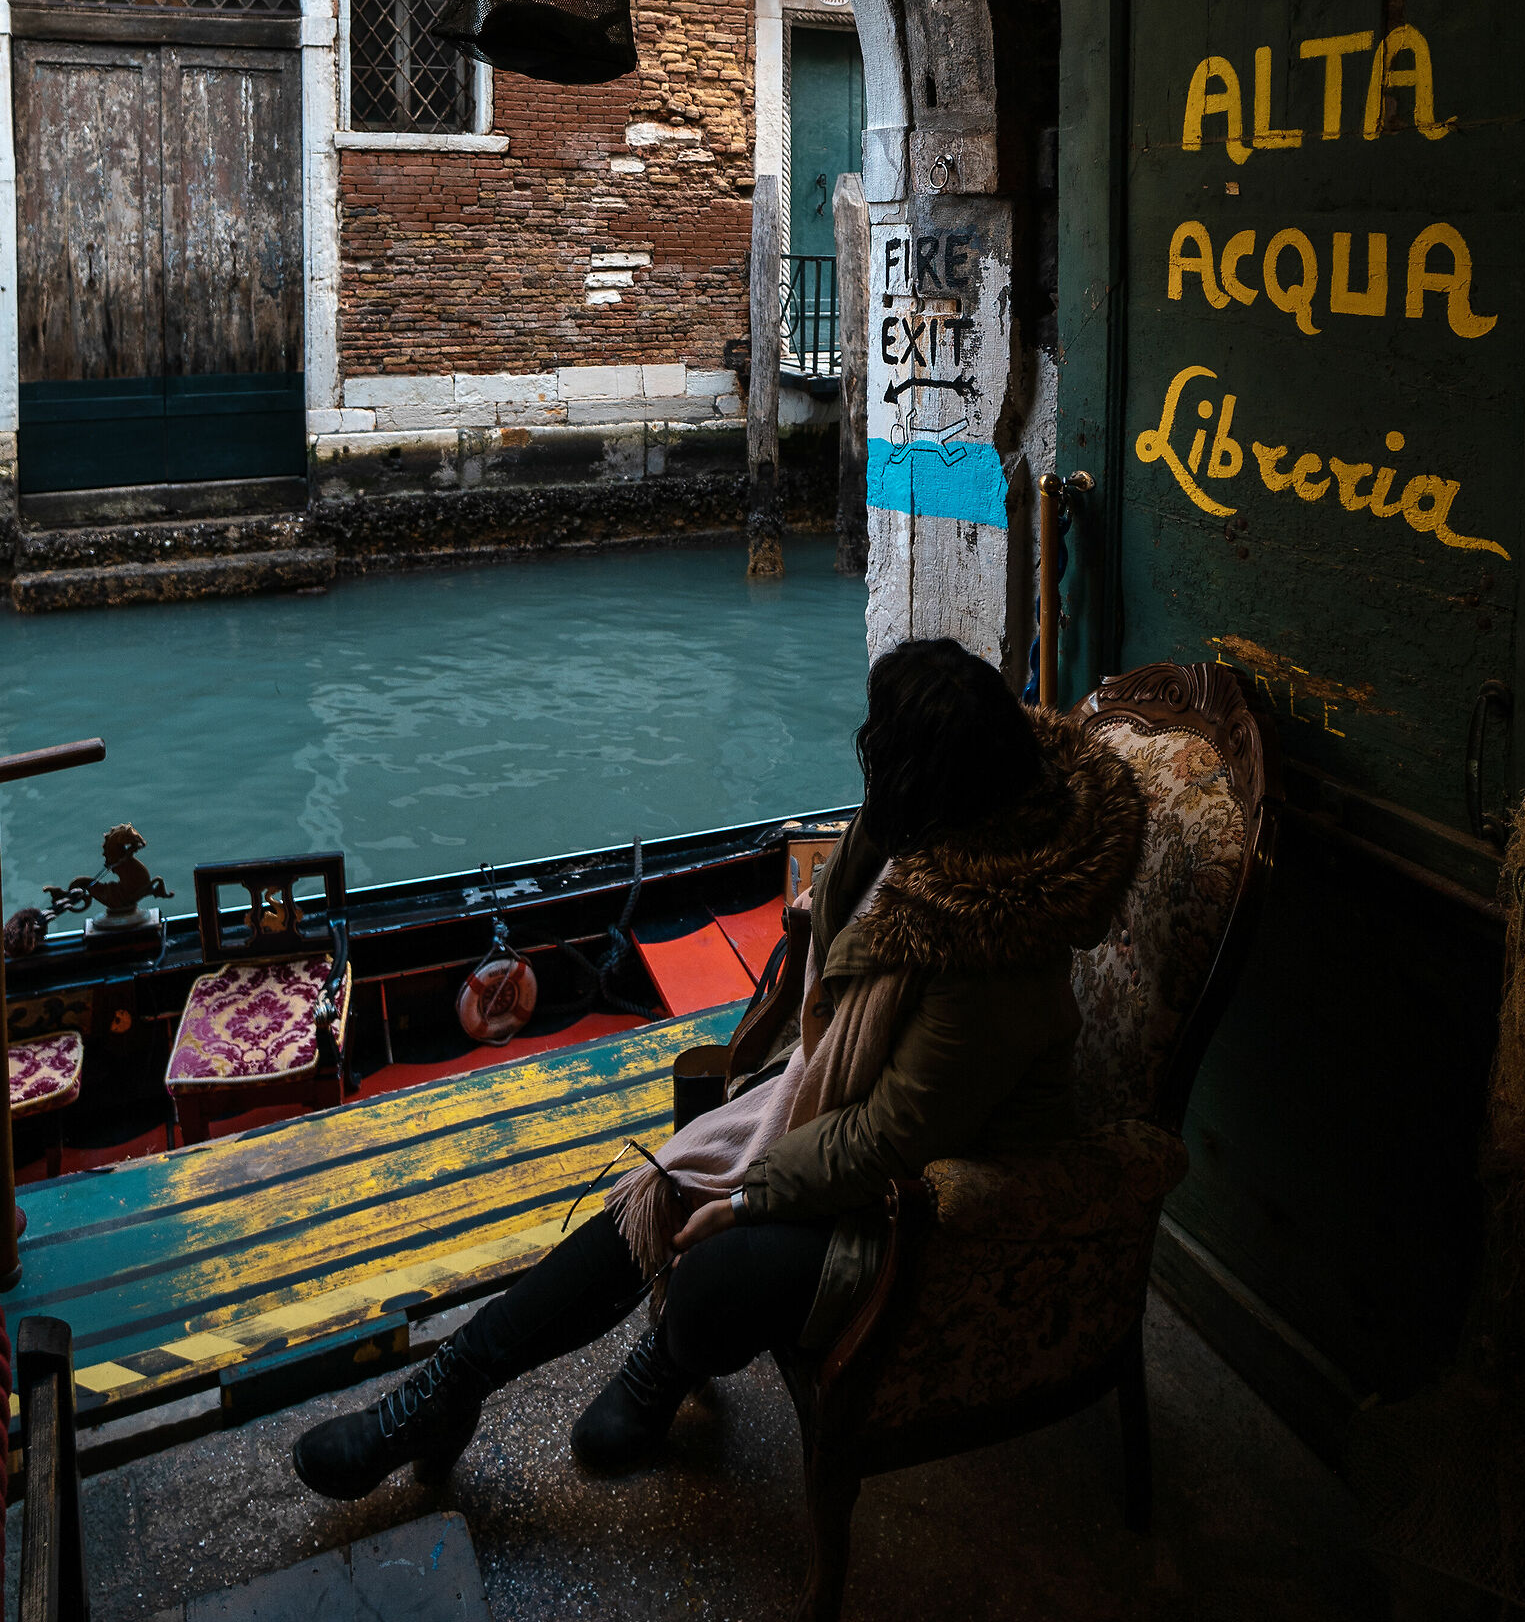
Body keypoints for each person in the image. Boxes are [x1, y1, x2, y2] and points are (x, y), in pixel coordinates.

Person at [292, 636, 1146, 1502]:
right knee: (668, 1178)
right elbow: (847, 941)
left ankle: (667, 1356)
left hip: (932, 1203)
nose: (868, 756)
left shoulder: (995, 949)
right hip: (862, 1125)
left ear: (925, 777)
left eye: (883, 748)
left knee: (709, 1267)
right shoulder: (936, 831)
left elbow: (892, 1138)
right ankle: (446, 1392)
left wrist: (747, 1200)